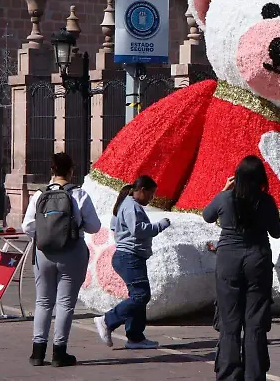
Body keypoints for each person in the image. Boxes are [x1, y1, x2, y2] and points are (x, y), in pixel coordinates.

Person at [203, 155, 280, 381]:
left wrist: (223, 190)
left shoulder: (225, 198)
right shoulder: (266, 201)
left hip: (229, 260)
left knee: (229, 322)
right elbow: (276, 232)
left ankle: (229, 374)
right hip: (257, 260)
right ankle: (254, 375)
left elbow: (207, 216)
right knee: (255, 322)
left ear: (237, 176)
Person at [22, 152, 102, 367]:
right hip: (72, 251)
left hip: (43, 253)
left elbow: (27, 226)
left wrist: (45, 235)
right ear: (71, 171)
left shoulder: (39, 195)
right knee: (65, 303)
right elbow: (94, 226)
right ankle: (59, 353)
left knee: (43, 301)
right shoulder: (79, 195)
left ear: (52, 170)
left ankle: (37, 352)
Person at [94, 175, 171, 350]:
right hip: (130, 257)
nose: (151, 198)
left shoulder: (127, 204)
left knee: (138, 296)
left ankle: (135, 337)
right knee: (141, 296)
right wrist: (160, 225)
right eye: (151, 194)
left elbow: (116, 226)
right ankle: (107, 320)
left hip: (130, 255)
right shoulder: (132, 207)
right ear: (142, 190)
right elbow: (138, 230)